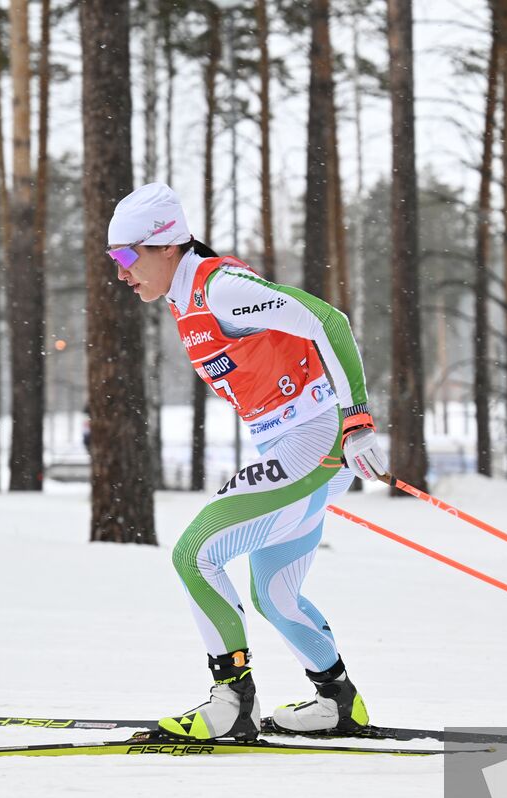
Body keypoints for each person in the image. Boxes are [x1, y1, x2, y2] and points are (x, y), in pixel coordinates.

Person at [106, 182, 388, 741]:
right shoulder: (185, 297)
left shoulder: (223, 288)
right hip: (292, 446)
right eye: (113, 258)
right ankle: (338, 701)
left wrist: (356, 420)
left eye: (125, 256)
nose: (120, 272)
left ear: (166, 245)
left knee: (195, 554)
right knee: (275, 594)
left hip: (312, 444)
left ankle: (232, 700)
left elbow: (329, 321)